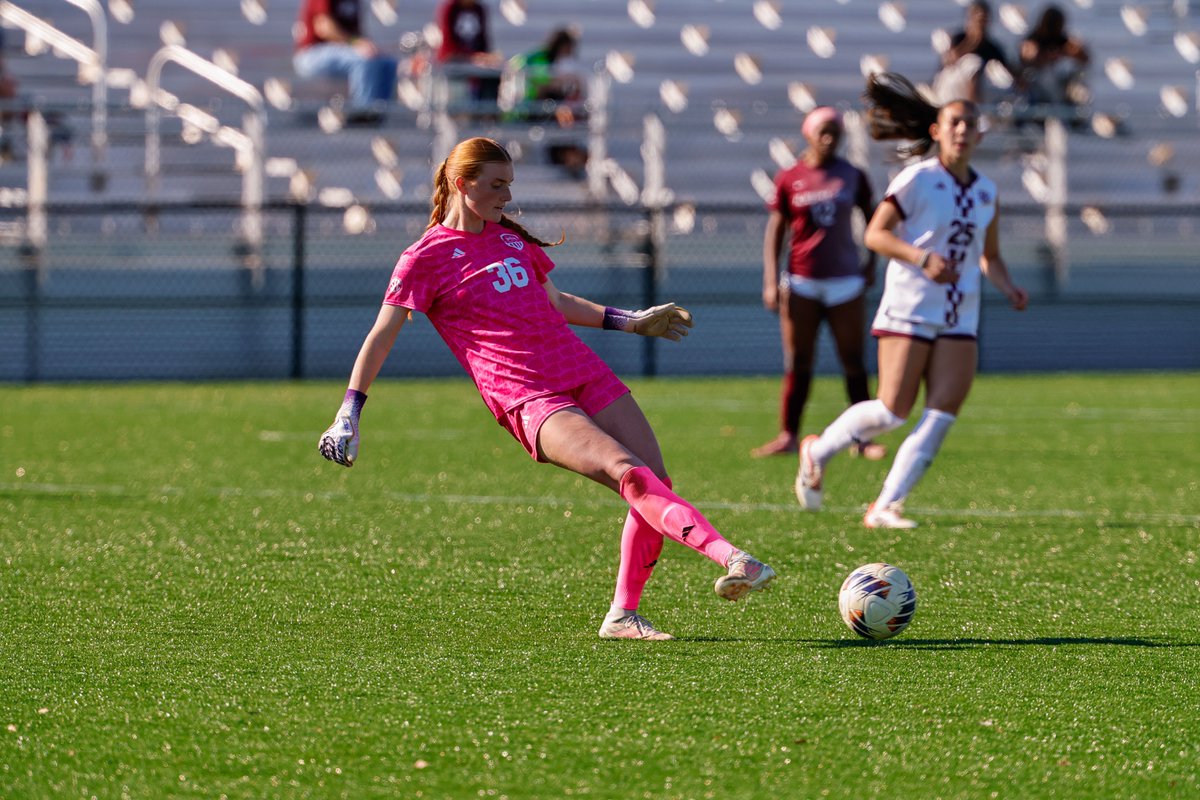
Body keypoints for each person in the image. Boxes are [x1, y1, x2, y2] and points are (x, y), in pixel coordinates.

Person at [318, 137, 776, 640]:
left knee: (656, 480)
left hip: (583, 370)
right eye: (497, 185)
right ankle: (735, 558)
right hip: (527, 396)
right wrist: (348, 412)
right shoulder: (424, 257)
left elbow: (556, 303)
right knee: (628, 472)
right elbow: (382, 334)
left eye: (509, 184)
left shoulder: (511, 241)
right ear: (462, 184)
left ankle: (623, 616)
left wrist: (631, 321)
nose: (507, 196)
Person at [795, 73, 1029, 529]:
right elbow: (875, 234)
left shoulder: (986, 191)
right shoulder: (917, 179)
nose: (963, 130)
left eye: (970, 124)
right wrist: (922, 258)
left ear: (980, 135)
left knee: (942, 413)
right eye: (954, 123)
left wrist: (1008, 286)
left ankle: (886, 505)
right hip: (910, 306)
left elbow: (990, 255)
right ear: (937, 131)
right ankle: (818, 451)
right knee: (892, 411)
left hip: (960, 313)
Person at [752, 106, 885, 462]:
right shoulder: (790, 177)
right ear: (808, 134)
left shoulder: (852, 175)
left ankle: (863, 439)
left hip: (845, 282)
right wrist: (770, 280)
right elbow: (776, 230)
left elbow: (875, 220)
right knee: (799, 360)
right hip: (801, 281)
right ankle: (788, 435)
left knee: (853, 359)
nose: (829, 138)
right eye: (823, 131)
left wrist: (871, 262)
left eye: (835, 132)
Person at [293, 0, 398, 123]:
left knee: (387, 62)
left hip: (343, 50)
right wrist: (355, 43)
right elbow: (324, 28)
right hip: (312, 54)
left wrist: (369, 47)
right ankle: (363, 111)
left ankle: (379, 110)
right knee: (363, 59)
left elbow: (357, 34)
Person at [932, 1, 1015, 105]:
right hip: (950, 88)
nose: (980, 24)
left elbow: (1006, 72)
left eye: (984, 20)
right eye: (977, 19)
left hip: (978, 91)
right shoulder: (958, 39)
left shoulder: (992, 48)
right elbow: (949, 61)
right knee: (973, 63)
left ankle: (973, 106)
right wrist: (973, 41)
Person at [1018, 4, 1090, 114]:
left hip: (1060, 83)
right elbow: (1027, 58)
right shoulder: (1034, 39)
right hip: (1037, 84)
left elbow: (1084, 58)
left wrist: (1070, 52)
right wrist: (1046, 57)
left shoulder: (1063, 40)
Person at [435, 0, 503, 106]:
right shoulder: (450, 8)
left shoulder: (479, 9)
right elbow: (449, 44)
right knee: (459, 91)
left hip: (475, 62)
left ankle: (486, 111)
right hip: (453, 60)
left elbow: (483, 41)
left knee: (492, 76)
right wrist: (473, 56)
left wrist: (487, 57)